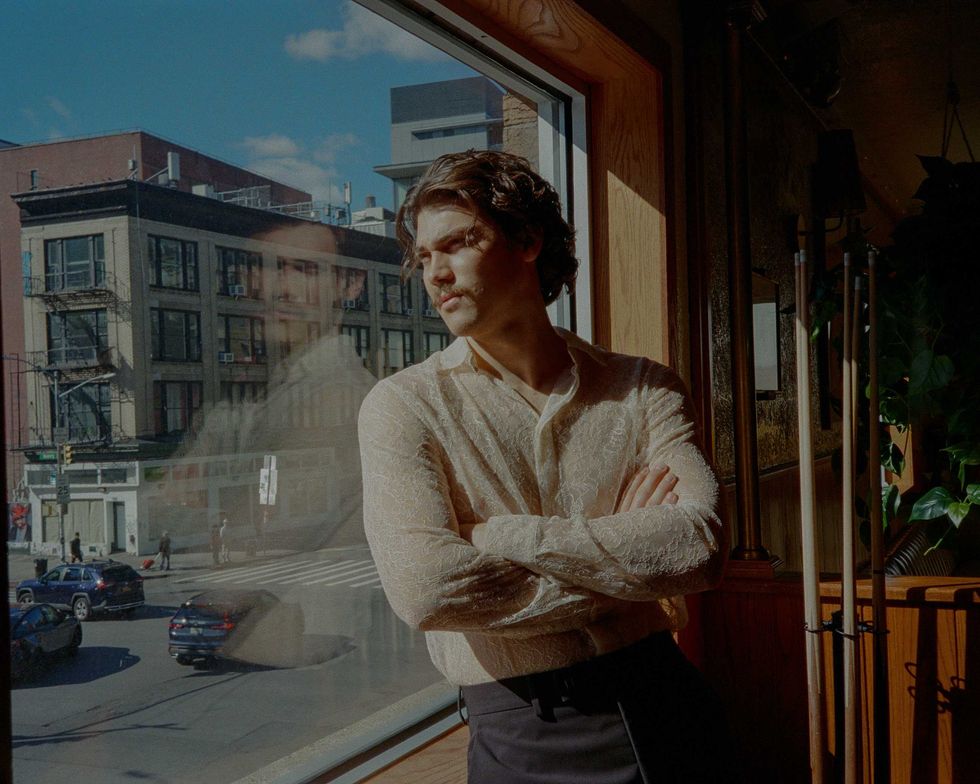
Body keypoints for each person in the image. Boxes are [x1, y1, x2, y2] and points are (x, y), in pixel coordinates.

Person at [358, 150, 732, 783]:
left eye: (459, 243)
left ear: (528, 241)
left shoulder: (644, 387)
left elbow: (699, 548)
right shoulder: (404, 406)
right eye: (424, 257)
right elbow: (427, 589)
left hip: (669, 705)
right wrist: (628, 573)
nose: (436, 274)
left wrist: (498, 536)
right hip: (525, 732)